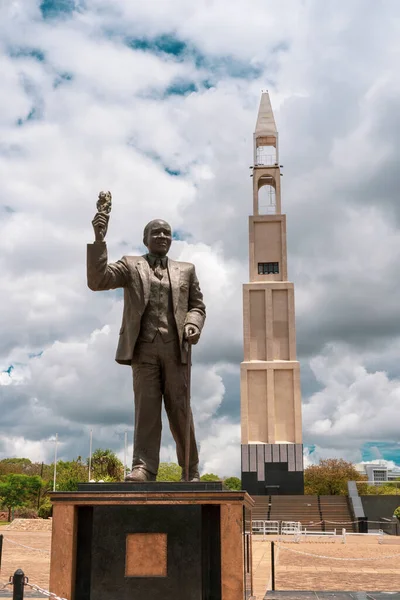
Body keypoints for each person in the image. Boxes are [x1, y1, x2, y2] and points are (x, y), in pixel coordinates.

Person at [87, 211, 206, 482]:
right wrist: (98, 240)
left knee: (180, 410)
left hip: (177, 349)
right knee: (147, 410)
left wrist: (193, 324)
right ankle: (143, 467)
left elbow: (197, 306)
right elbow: (98, 281)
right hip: (143, 349)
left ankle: (190, 469)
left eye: (167, 232)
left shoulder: (186, 270)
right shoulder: (131, 265)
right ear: (145, 239)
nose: (162, 236)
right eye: (156, 232)